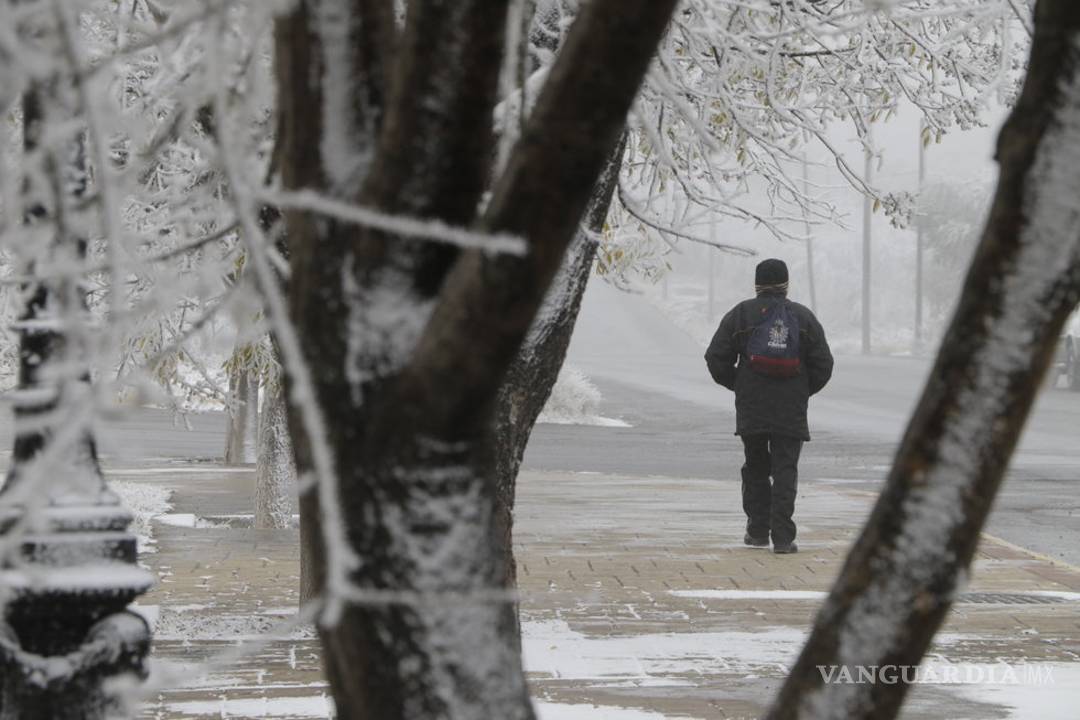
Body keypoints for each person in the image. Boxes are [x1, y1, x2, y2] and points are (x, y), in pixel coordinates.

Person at [704, 258, 833, 554]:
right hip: (791, 407)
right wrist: (801, 389)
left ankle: (758, 530)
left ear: (757, 284)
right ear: (786, 285)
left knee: (756, 466)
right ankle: (784, 538)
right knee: (786, 468)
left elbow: (715, 357)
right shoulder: (803, 317)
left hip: (752, 405)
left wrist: (738, 383)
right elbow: (824, 364)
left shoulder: (741, 315)